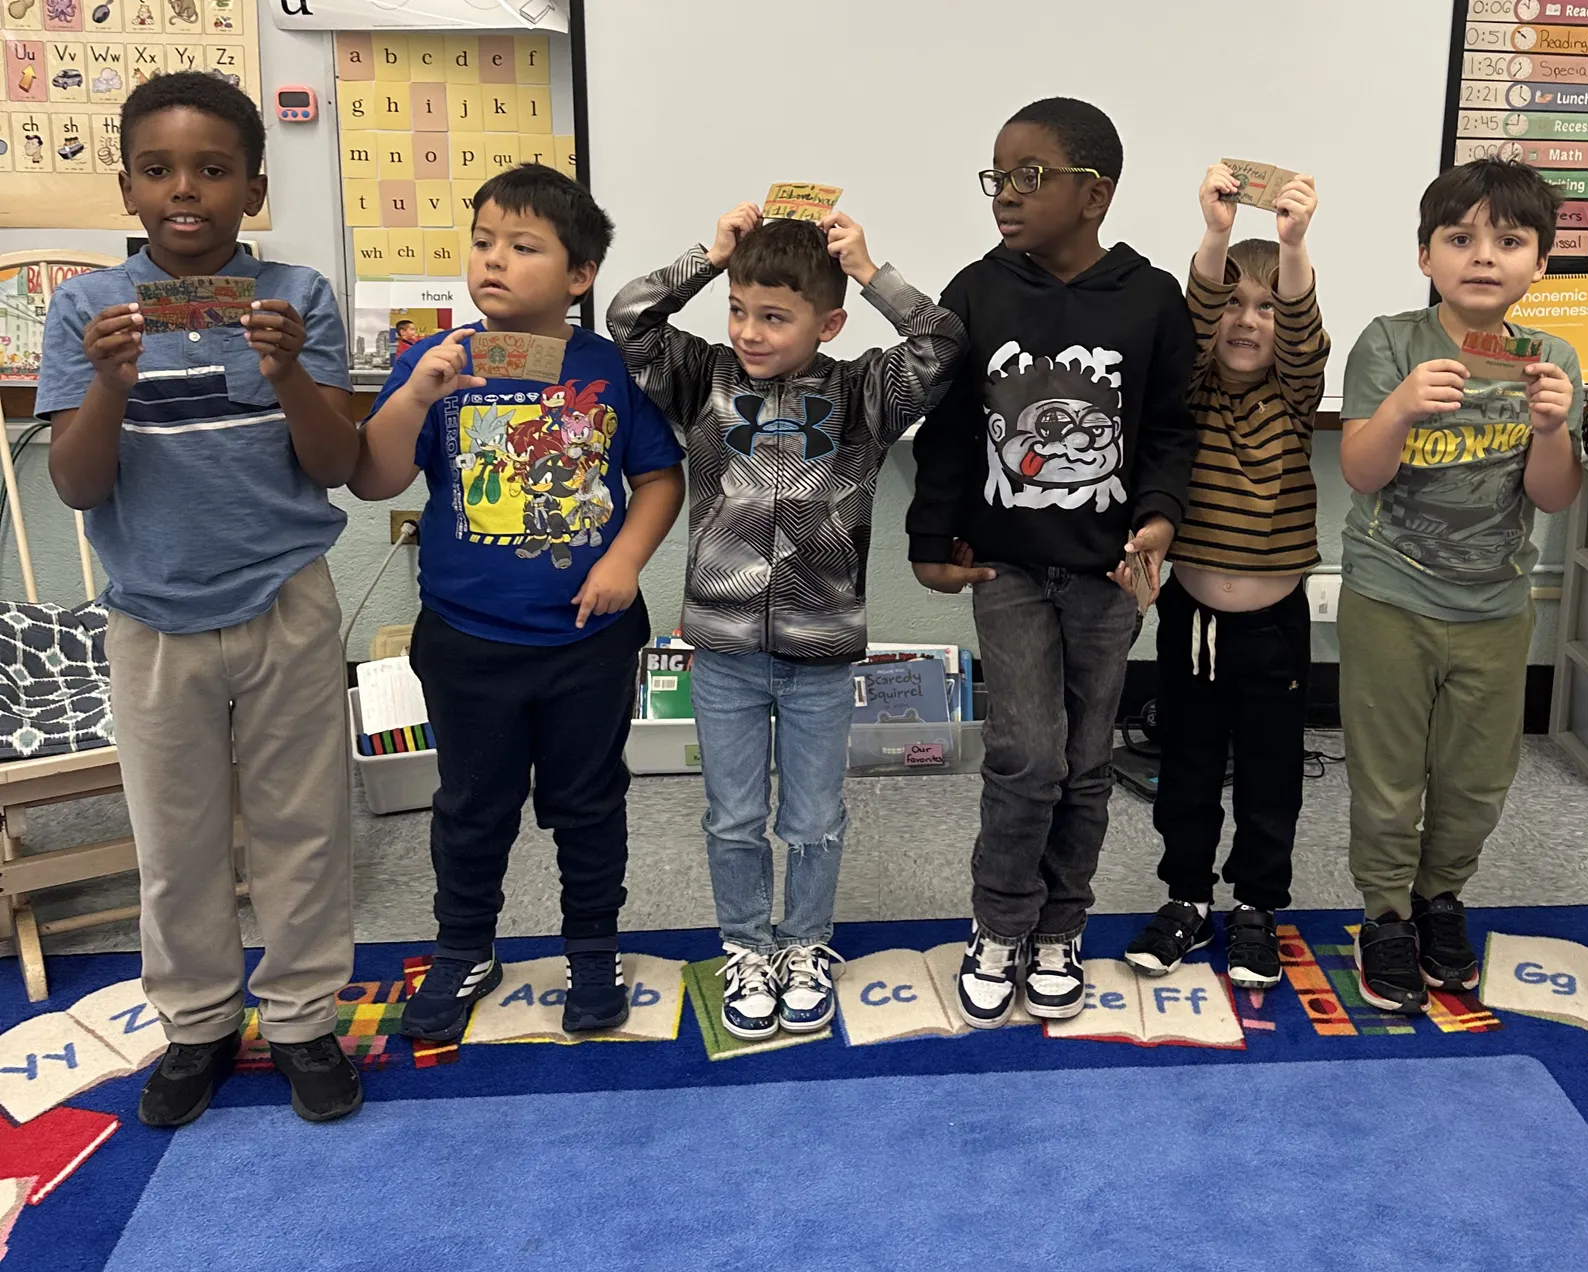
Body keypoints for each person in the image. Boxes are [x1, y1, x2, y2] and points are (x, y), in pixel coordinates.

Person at [40, 72, 363, 1126]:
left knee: (302, 825)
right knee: (174, 837)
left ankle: (305, 1016)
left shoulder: (298, 297)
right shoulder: (89, 309)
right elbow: (80, 485)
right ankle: (198, 1023)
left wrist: (287, 375)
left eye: (214, 170)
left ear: (253, 188)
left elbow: (336, 461)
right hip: (149, 614)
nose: (188, 190)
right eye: (161, 170)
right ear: (128, 189)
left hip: (285, 598)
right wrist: (111, 387)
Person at [606, 207, 963, 1040]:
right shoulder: (703, 378)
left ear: (828, 322)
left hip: (820, 654)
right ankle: (744, 943)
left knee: (813, 818)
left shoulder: (866, 394)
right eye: (739, 310)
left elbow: (942, 340)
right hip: (723, 652)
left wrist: (871, 271)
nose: (751, 332)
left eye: (775, 316)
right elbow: (628, 317)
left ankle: (804, 944)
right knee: (731, 816)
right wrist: (712, 254)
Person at [354, 164, 686, 1041]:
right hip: (468, 638)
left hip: (589, 640)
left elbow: (658, 475)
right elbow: (373, 475)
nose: (493, 262)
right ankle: (464, 946)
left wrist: (625, 559)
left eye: (523, 247)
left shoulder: (607, 367)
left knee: (588, 801)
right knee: (471, 804)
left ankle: (591, 949)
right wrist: (420, 391)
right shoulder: (436, 362)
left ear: (579, 276)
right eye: (483, 242)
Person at [907, 97, 1197, 1028]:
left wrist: (1158, 516)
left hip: (1111, 578)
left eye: (1030, 176)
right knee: (1025, 755)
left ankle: (1060, 931)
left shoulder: (1151, 300)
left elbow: (1171, 431)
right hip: (1011, 571)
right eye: (999, 176)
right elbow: (947, 430)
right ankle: (1000, 925)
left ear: (1094, 192)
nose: (1006, 195)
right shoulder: (977, 290)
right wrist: (926, 543)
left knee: (1082, 764)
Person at [1337, 158, 1584, 1015]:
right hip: (1390, 598)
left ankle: (1442, 898)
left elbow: (1554, 495)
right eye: (1460, 238)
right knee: (1389, 776)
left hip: (1494, 606)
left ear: (1539, 265)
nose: (1484, 256)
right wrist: (1401, 407)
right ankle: (1385, 914)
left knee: (1478, 778)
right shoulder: (1391, 342)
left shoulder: (1549, 358)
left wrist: (1552, 427)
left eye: (1509, 241)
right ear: (1425, 256)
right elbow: (1361, 472)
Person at [1122, 163, 1328, 990]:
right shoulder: (1192, 391)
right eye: (1235, 304)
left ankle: (1257, 909)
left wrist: (1293, 245)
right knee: (1191, 769)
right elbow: (1194, 311)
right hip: (1190, 624)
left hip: (1273, 631)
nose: (1247, 319)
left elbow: (1307, 333)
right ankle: (1185, 899)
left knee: (1272, 777)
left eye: (1266, 307)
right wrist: (1213, 234)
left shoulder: (1296, 393)